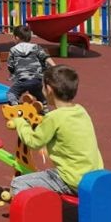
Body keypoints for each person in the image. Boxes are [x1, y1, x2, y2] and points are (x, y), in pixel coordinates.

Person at [6, 65, 103, 198]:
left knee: (18, 183)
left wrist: (20, 122)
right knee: (52, 172)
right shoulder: (81, 111)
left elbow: (33, 142)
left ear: (49, 89)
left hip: (73, 181)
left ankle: (38, 210)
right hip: (93, 178)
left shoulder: (53, 117)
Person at [6, 25, 55, 107]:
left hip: (22, 79)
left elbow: (10, 66)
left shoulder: (13, 50)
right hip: (36, 79)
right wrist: (53, 65)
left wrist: (13, 74)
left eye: (13, 37)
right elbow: (45, 57)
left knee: (12, 93)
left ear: (17, 38)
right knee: (37, 92)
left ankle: (15, 105)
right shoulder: (36, 47)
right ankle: (44, 105)